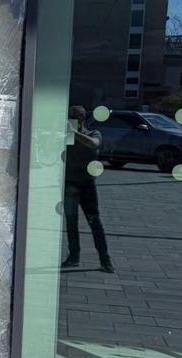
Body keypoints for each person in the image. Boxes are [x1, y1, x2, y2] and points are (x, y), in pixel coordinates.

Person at [62, 105, 114, 273]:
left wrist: (74, 133)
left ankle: (105, 260)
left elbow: (93, 144)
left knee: (94, 222)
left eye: (75, 117)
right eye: (70, 116)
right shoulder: (65, 136)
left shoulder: (93, 133)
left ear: (83, 119)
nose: (72, 119)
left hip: (86, 184)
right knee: (71, 222)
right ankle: (74, 257)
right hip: (69, 182)